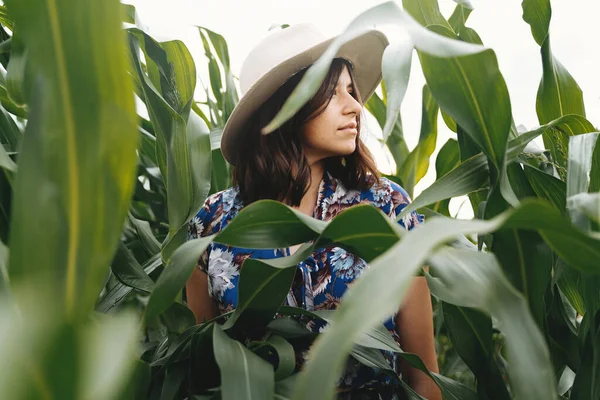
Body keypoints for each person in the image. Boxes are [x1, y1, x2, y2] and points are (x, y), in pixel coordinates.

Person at [186, 23, 441, 400]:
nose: (356, 106)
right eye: (333, 92)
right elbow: (206, 374)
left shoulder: (388, 209)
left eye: (352, 91)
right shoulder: (211, 223)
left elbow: (423, 377)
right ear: (285, 106)